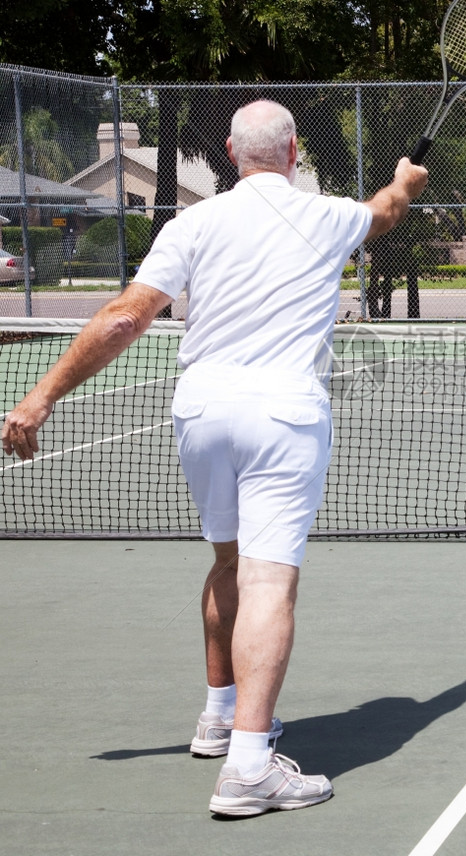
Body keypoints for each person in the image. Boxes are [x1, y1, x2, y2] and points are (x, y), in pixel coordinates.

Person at [1, 99, 428, 817]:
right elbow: (385, 212)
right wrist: (405, 184)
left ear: (231, 153)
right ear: (293, 152)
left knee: (229, 562)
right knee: (268, 581)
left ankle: (218, 717)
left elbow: (124, 317)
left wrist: (41, 395)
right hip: (282, 415)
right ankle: (249, 768)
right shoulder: (324, 215)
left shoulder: (190, 223)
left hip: (200, 412)